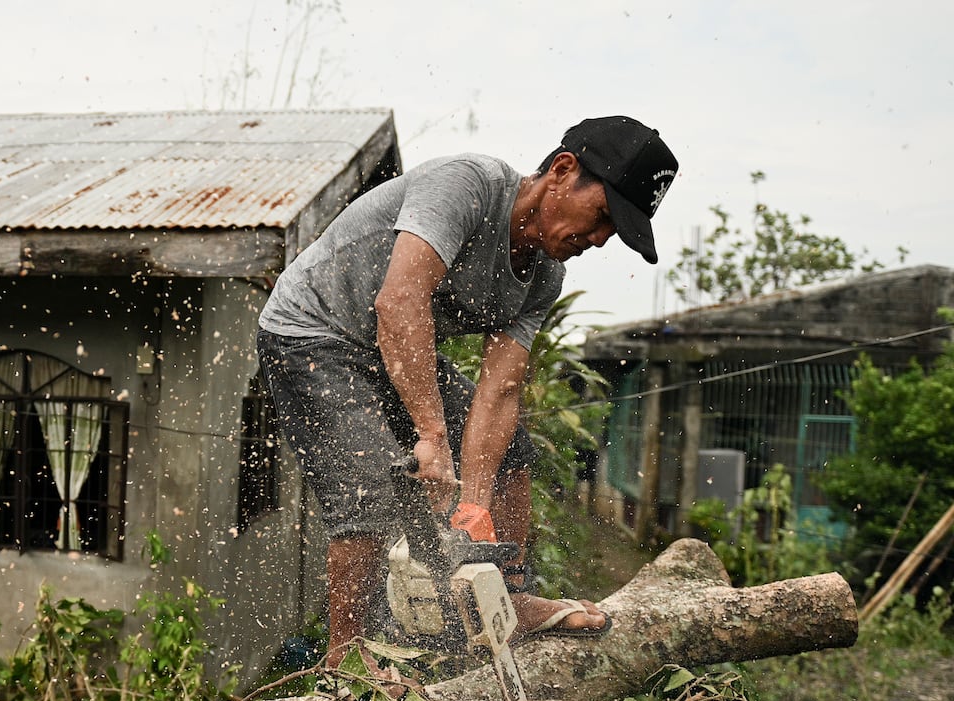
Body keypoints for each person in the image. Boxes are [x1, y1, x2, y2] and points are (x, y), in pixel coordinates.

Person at [257, 115, 678, 659]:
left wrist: (474, 504)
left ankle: (512, 595)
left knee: (513, 453)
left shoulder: (544, 276)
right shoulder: (467, 186)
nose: (597, 241)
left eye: (610, 235)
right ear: (562, 171)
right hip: (312, 331)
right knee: (371, 488)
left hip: (391, 349)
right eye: (600, 218)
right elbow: (400, 302)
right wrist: (433, 436)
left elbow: (498, 393)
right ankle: (346, 658)